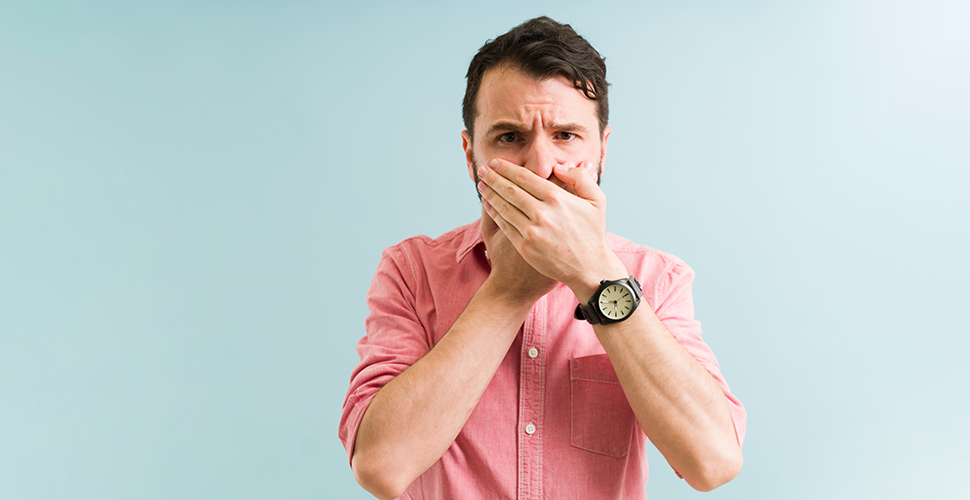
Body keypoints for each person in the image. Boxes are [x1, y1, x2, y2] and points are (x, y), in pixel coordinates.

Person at [339, 16, 745, 500]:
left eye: (567, 136)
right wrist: (509, 291)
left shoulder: (658, 279)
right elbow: (382, 467)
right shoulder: (411, 271)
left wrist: (594, 274)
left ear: (602, 151)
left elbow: (714, 461)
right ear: (471, 154)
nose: (541, 166)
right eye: (509, 137)